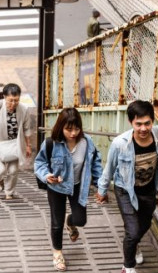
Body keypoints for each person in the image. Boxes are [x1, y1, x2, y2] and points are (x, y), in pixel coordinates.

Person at [96, 100, 158, 273]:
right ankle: (128, 267)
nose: (143, 128)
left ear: (153, 121)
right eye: (138, 124)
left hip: (149, 189)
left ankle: (134, 244)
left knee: (143, 226)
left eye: (147, 123)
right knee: (133, 230)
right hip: (125, 190)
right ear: (131, 122)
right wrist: (102, 189)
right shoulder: (120, 143)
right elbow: (110, 167)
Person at [35, 108, 103, 271]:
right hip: (57, 187)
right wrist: (46, 175)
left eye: (76, 129)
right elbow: (39, 163)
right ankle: (57, 253)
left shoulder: (87, 142)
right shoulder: (51, 143)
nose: (73, 133)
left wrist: (101, 186)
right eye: (68, 129)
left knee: (81, 220)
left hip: (79, 185)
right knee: (56, 223)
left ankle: (70, 222)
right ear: (61, 127)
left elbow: (96, 164)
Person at [0, 83, 32, 200]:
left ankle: (9, 192)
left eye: (16, 100)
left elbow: (27, 129)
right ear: (4, 97)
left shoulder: (24, 110)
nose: (13, 104)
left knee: (13, 171)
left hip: (14, 145)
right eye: (10, 100)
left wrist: (28, 146)